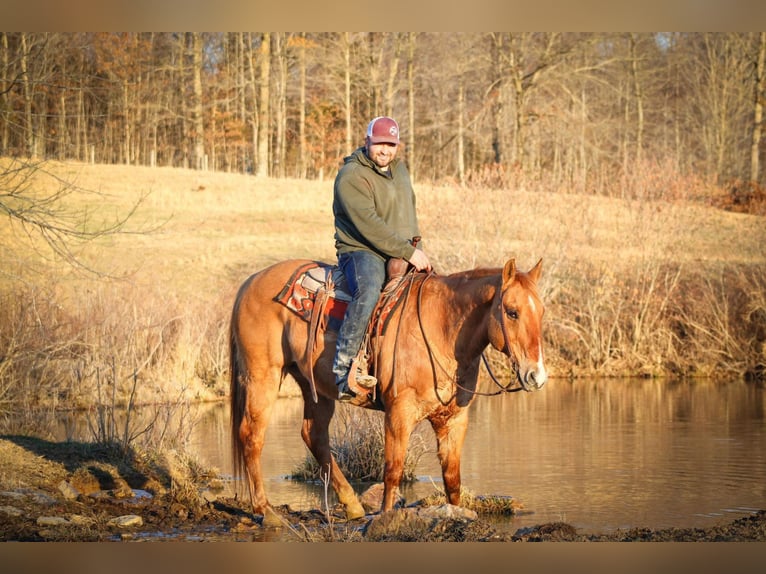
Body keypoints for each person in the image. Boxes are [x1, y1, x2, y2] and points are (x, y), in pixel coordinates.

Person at [332, 116, 432, 402]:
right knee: (369, 292)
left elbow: (408, 215)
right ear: (367, 143)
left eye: (391, 144)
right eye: (379, 144)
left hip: (400, 248)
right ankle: (343, 369)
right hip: (362, 249)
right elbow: (370, 225)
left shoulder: (400, 170)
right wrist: (407, 251)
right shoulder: (351, 176)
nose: (385, 150)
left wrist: (418, 250)